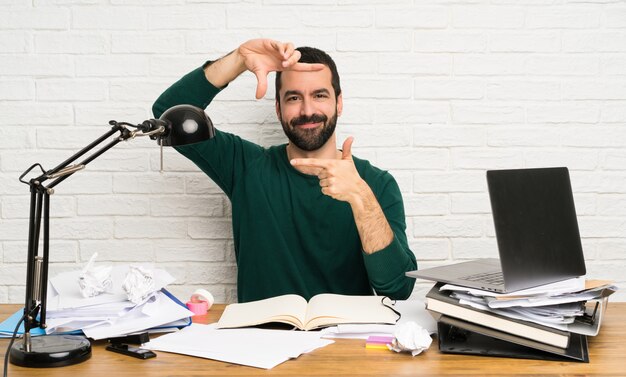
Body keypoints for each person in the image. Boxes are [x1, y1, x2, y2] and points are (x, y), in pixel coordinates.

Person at [152, 39, 417, 303]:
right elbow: (168, 116)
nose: (307, 110)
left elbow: (398, 289)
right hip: (261, 339)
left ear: (339, 103)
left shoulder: (377, 184)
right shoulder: (246, 167)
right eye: (293, 98)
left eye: (319, 95)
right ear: (278, 109)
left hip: (345, 341)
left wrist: (361, 198)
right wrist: (239, 60)